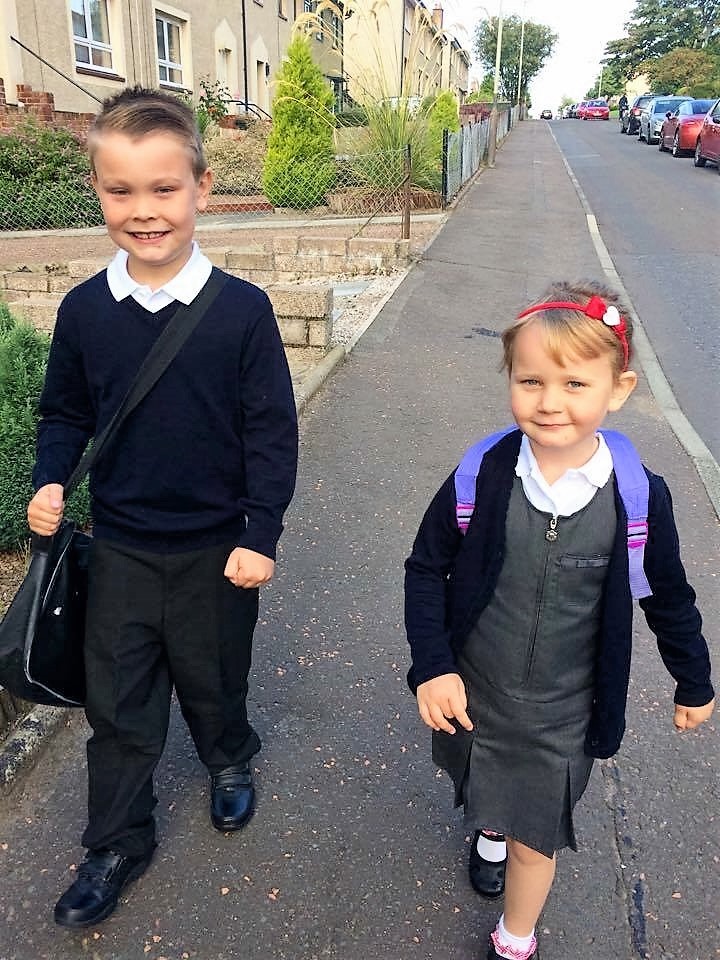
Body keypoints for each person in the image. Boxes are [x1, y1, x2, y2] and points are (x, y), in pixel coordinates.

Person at [27, 86, 298, 929]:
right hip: (123, 550)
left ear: (202, 189)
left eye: (163, 189)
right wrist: (49, 478)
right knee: (118, 708)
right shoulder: (83, 311)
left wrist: (262, 531)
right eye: (121, 191)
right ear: (99, 194)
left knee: (214, 681)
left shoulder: (243, 313)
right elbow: (65, 411)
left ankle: (228, 759)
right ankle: (115, 841)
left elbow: (271, 434)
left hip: (220, 549)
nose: (143, 211)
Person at [404, 281, 714, 960]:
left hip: (564, 710)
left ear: (619, 388)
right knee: (480, 779)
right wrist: (433, 666)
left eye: (576, 383)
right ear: (510, 378)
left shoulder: (638, 498)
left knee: (535, 836)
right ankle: (489, 826)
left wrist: (694, 680)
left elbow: (668, 593)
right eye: (531, 380)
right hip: (475, 688)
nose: (550, 402)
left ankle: (515, 940)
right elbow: (426, 569)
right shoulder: (480, 476)